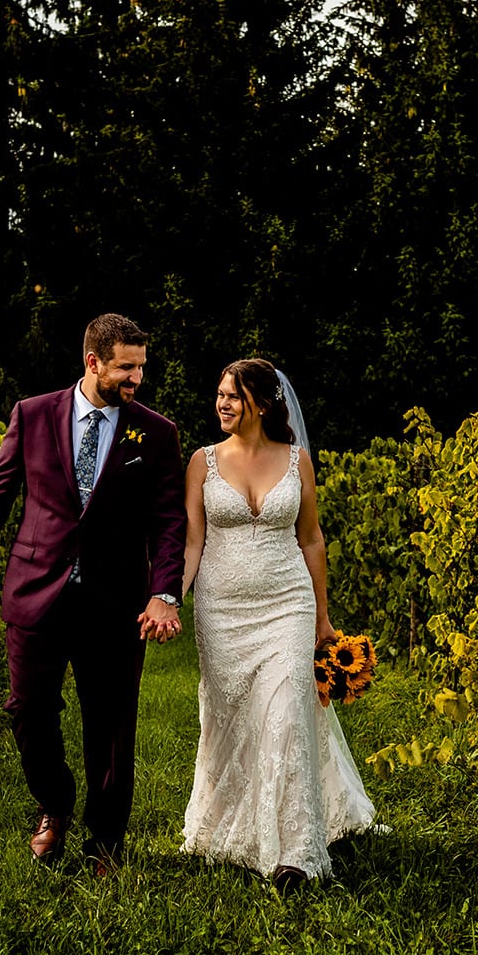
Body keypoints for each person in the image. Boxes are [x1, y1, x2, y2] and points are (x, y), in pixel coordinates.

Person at [0, 314, 187, 872]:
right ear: (94, 362)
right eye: (127, 367)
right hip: (36, 592)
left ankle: (105, 841)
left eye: (141, 367)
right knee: (29, 710)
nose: (137, 379)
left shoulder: (155, 433)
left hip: (116, 600)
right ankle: (53, 805)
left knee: (110, 723)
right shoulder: (31, 415)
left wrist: (164, 593)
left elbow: (168, 521)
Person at [180, 358, 377, 889]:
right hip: (222, 612)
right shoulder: (201, 462)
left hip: (287, 603)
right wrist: (168, 597)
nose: (222, 403)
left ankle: (295, 852)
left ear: (263, 405)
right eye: (220, 393)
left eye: (234, 396)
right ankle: (235, 824)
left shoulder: (297, 461)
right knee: (234, 719)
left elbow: (311, 539)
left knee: (288, 713)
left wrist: (322, 617)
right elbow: (193, 541)